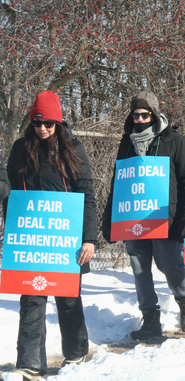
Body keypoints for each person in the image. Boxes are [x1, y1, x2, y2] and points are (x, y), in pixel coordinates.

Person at [6, 90, 97, 380]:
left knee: (67, 298)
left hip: (66, 240)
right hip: (33, 238)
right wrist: (12, 227)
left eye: (48, 124)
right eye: (37, 123)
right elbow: (10, 190)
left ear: (58, 123)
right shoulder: (20, 149)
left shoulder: (74, 149)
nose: (42, 129)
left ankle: (77, 353)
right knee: (31, 298)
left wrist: (90, 239)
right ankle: (30, 363)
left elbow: (87, 194)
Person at [102, 91, 185, 339]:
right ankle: (150, 319)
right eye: (136, 115)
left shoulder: (175, 141)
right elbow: (118, 182)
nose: (141, 119)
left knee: (169, 264)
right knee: (139, 268)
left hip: (165, 215)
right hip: (132, 217)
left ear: (155, 115)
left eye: (145, 115)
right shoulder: (127, 143)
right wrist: (109, 219)